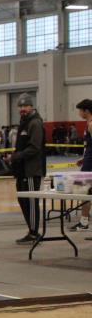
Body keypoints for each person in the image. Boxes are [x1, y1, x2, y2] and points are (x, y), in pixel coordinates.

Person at [11, 93, 46, 244]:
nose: (22, 109)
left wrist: (17, 156)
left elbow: (35, 147)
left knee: (31, 202)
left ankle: (34, 233)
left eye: (25, 106)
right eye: (20, 106)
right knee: (22, 199)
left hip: (32, 170)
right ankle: (31, 230)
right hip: (22, 170)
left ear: (31, 106)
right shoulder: (24, 122)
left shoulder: (35, 123)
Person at [68, 98, 92, 233]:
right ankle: (84, 222)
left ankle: (84, 222)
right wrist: (84, 158)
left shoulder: (91, 124)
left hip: (90, 165)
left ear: (86, 111)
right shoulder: (88, 124)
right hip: (88, 161)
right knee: (84, 192)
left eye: (80, 111)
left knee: (83, 191)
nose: (79, 113)